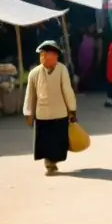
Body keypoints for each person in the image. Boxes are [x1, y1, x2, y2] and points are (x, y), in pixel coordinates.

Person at [23, 41, 78, 176]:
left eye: (51, 55)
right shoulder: (34, 73)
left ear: (56, 56)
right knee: (45, 141)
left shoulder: (62, 70)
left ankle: (53, 161)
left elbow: (67, 90)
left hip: (60, 113)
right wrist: (28, 113)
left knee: (58, 141)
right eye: (44, 55)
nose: (46, 58)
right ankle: (49, 163)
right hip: (42, 114)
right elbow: (30, 94)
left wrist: (72, 110)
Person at [76, 25, 98, 92]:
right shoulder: (92, 41)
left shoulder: (83, 43)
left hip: (83, 65)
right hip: (89, 66)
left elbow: (80, 56)